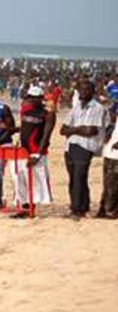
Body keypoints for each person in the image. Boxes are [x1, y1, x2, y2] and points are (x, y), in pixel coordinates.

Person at [60, 80, 109, 219]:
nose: (83, 92)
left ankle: (77, 209)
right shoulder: (76, 107)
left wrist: (73, 129)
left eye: (86, 90)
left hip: (86, 146)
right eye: (81, 90)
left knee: (79, 176)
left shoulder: (98, 108)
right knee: (74, 178)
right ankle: (81, 205)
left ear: (92, 92)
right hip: (70, 145)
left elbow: (91, 131)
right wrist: (79, 129)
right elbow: (63, 130)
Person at [12, 87, 55, 218]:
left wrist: (37, 154)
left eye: (34, 98)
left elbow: (46, 135)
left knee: (35, 181)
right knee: (19, 179)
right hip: (21, 150)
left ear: (40, 98)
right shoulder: (25, 110)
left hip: (35, 151)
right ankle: (23, 208)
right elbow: (24, 128)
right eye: (29, 97)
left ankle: (31, 209)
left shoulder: (47, 114)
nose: (30, 100)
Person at [97, 106, 118, 219]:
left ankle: (109, 210)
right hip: (110, 154)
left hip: (114, 154)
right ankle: (106, 210)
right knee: (109, 185)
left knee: (112, 185)